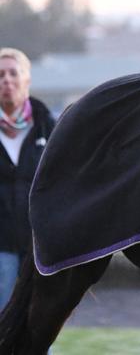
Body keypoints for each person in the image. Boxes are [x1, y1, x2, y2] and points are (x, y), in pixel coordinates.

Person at [0, 48, 55, 309]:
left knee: (40, 319)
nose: (6, 80)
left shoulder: (49, 128)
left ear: (27, 79)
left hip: (39, 245)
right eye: (0, 75)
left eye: (13, 73)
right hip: (1, 247)